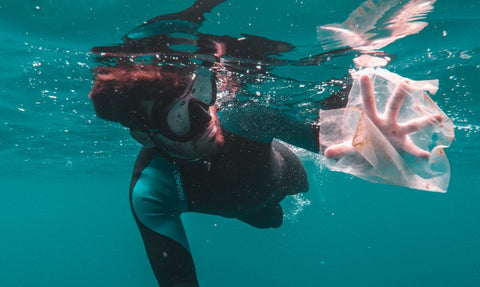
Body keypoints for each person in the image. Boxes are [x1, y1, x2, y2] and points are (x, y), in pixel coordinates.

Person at [88, 1, 445, 286]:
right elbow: (179, 280)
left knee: (290, 181)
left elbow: (337, 144)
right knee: (270, 220)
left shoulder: (243, 119)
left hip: (287, 174)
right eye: (178, 117)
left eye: (200, 95)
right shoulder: (151, 189)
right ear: (145, 135)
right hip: (251, 207)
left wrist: (376, 144)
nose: (206, 117)